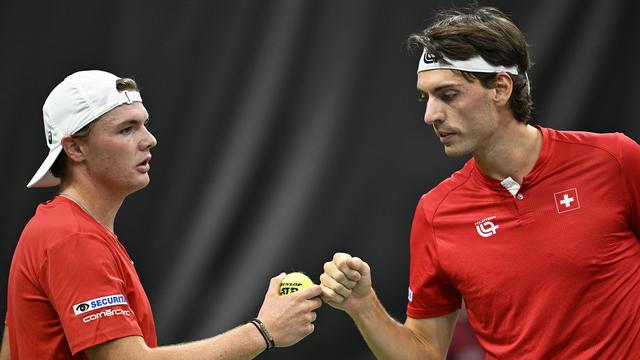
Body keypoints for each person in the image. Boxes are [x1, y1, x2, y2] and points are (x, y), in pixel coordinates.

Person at [320, 6, 640, 359]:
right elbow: (425, 352)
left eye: (448, 94)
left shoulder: (615, 159)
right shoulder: (436, 213)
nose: (431, 115)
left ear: (500, 88)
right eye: (426, 97)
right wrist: (364, 306)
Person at [1, 70, 322, 359]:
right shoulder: (72, 237)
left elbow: (12, 347)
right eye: (127, 129)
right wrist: (263, 332)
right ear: (75, 149)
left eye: (144, 124)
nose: (149, 140)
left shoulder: (59, 229)